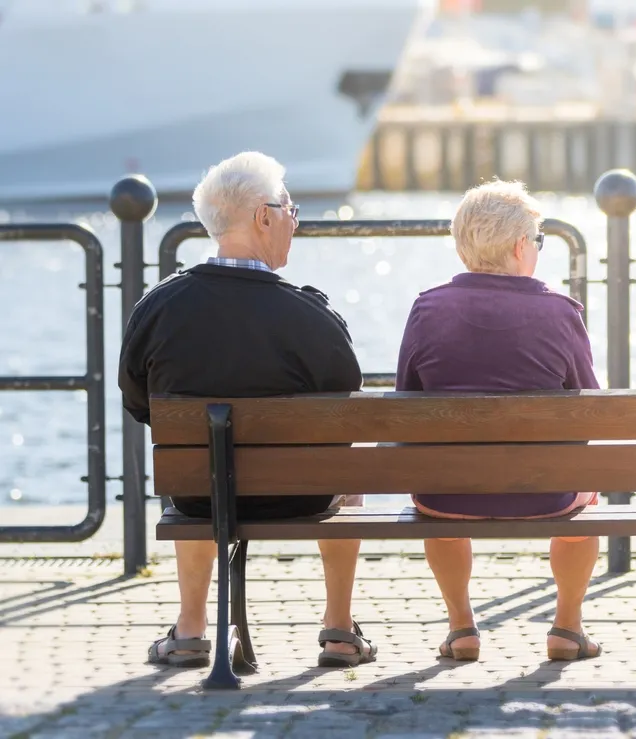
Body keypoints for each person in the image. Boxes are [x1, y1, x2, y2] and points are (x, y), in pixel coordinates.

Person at [118, 151, 375, 669]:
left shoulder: (158, 308)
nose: (294, 221)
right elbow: (346, 403)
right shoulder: (310, 315)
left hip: (200, 498)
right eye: (290, 209)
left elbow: (137, 400)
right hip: (300, 497)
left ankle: (190, 629)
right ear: (263, 216)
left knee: (194, 455)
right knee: (345, 460)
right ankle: (340, 628)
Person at [394, 179, 602, 663]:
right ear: (518, 246)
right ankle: (567, 627)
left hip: (446, 495)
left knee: (439, 493)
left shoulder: (427, 308)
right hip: (546, 494)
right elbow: (590, 407)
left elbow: (406, 402)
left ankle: (462, 628)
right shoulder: (559, 310)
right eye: (539, 241)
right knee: (588, 497)